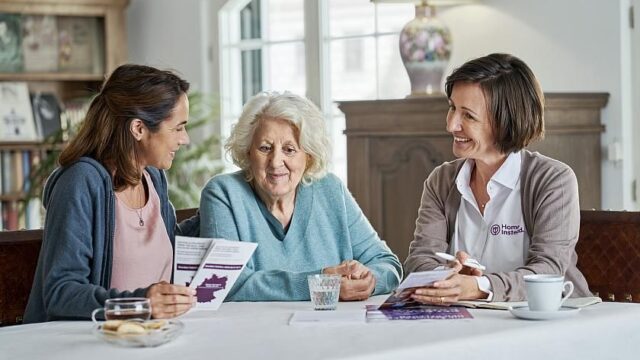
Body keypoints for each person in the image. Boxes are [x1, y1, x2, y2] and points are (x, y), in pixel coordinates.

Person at [404, 53, 591, 304]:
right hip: (471, 322)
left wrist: (480, 285)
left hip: (547, 324)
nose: (451, 125)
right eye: (452, 108)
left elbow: (548, 271)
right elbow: (420, 258)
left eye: (468, 116)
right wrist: (448, 277)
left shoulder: (553, 180)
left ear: (505, 121)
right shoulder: (442, 180)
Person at [24, 64, 199, 323]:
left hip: (145, 338)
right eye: (178, 128)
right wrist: (141, 304)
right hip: (85, 343)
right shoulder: (81, 182)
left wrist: (221, 203)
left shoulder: (154, 177)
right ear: (138, 128)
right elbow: (61, 292)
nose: (185, 139)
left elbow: (164, 247)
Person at [200, 91, 402, 301]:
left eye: (289, 150)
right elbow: (222, 283)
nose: (276, 161)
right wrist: (320, 284)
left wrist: (370, 280)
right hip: (253, 331)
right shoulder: (223, 193)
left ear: (309, 156)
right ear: (248, 152)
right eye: (265, 148)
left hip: (330, 329)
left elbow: (386, 262)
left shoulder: (330, 189)